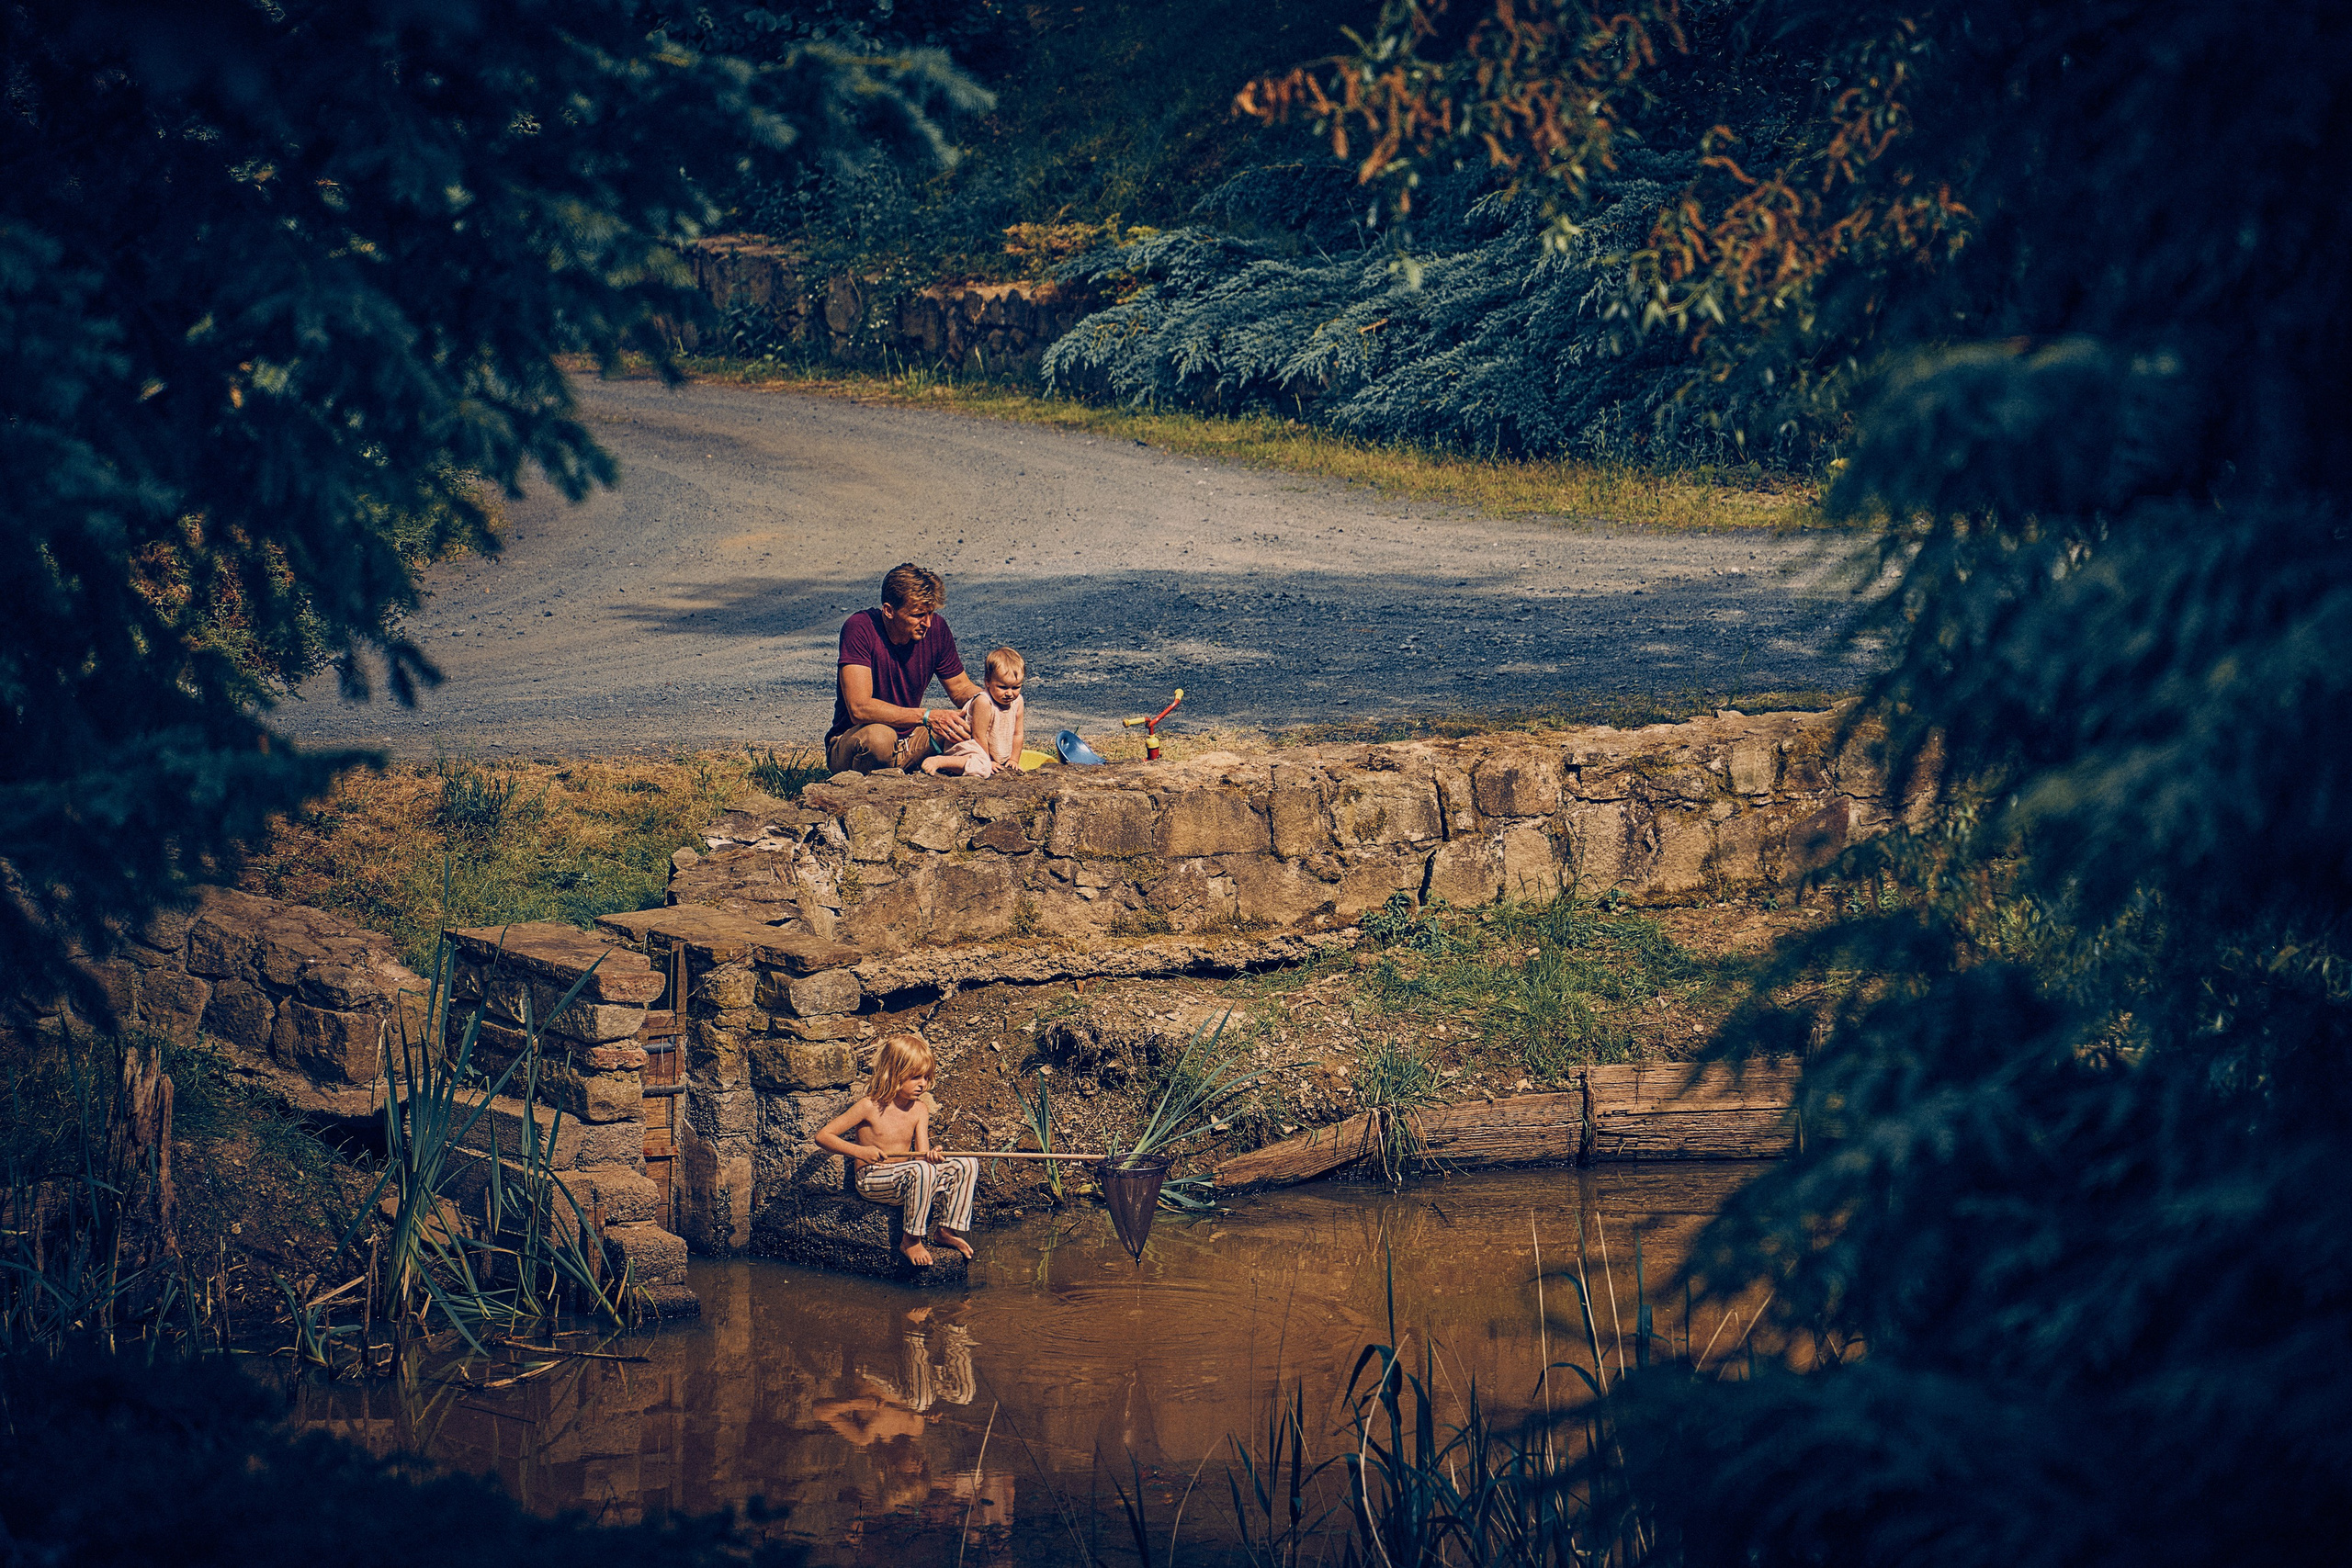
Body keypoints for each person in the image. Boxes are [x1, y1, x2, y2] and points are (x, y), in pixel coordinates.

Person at [816, 1033, 979, 1268]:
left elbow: (922, 1159)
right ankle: (911, 1240)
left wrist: (932, 1156)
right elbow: (823, 1136)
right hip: (873, 1179)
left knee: (967, 1164)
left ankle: (946, 1231)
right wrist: (860, 1152)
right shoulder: (869, 1106)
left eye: (926, 1077)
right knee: (921, 1171)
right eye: (915, 1077)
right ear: (893, 1074)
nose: (922, 1084)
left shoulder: (919, 1109)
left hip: (908, 1176)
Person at [827, 563, 986, 774]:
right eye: (918, 614)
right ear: (889, 611)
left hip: (910, 739)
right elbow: (859, 708)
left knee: (965, 724)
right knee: (880, 739)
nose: (927, 623)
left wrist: (993, 702)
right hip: (857, 740)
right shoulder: (860, 628)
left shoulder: (935, 629)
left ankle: (909, 766)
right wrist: (927, 716)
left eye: (930, 613)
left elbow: (960, 689)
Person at [921, 646, 1027, 778]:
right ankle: (941, 761)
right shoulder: (984, 702)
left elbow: (1017, 734)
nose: (1010, 693)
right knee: (983, 767)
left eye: (1016, 687)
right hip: (970, 747)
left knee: (1000, 764)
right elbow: (979, 736)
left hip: (993, 750)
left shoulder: (1018, 702)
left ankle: (989, 761)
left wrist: (1014, 760)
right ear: (987, 681)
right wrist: (988, 761)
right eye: (1003, 687)